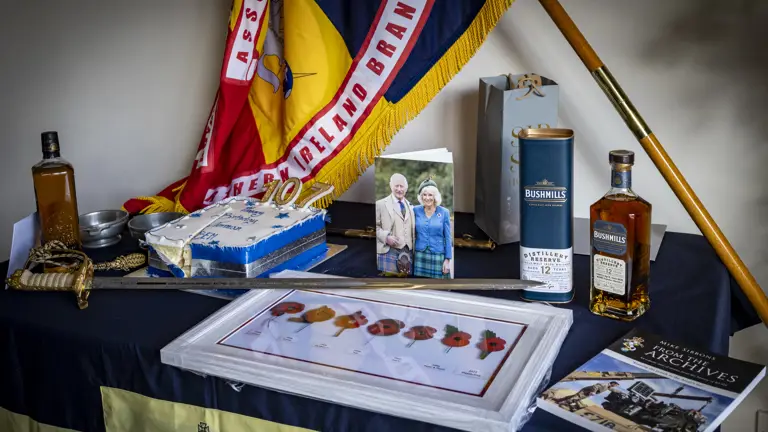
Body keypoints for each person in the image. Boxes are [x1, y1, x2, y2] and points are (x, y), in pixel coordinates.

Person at [375, 173, 415, 275]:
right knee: (387, 285)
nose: (399, 189)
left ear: (406, 188)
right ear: (391, 186)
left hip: (408, 252)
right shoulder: (380, 204)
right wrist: (385, 237)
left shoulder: (412, 207)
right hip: (388, 251)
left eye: (401, 186)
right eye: (396, 186)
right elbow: (374, 227)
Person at [412, 179, 452, 279]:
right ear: (421, 197)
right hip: (419, 255)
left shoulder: (444, 212)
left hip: (438, 255)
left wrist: (447, 260)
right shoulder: (415, 210)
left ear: (435, 196)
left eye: (430, 195)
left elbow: (448, 237)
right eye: (424, 195)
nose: (427, 198)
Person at [554, 381, 621, 407]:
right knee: (577, 397)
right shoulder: (605, 384)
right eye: (615, 385)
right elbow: (595, 386)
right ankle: (562, 402)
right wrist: (594, 391)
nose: (615, 386)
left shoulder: (609, 387)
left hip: (589, 393)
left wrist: (621, 392)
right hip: (587, 391)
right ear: (613, 383)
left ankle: (560, 400)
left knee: (575, 397)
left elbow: (613, 390)